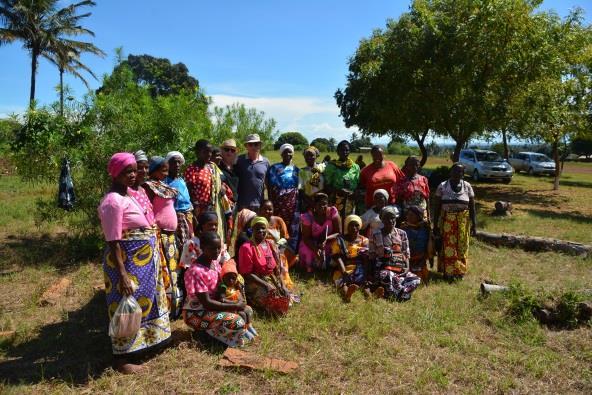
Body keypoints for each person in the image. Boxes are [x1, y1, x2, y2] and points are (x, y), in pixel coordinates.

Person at [98, 153, 171, 374]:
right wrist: (123, 275)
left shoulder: (129, 194)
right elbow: (113, 240)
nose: (132, 175)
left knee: (144, 302)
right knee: (125, 306)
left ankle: (144, 345)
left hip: (143, 261)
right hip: (127, 263)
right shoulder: (113, 201)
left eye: (133, 170)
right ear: (115, 174)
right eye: (126, 172)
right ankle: (122, 358)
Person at [183, 231, 250, 347]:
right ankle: (205, 335)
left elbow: (221, 288)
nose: (217, 252)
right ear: (203, 247)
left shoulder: (214, 263)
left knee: (247, 311)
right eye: (213, 249)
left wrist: (233, 299)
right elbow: (207, 303)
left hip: (214, 306)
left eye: (219, 248)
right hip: (197, 313)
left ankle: (235, 336)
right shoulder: (196, 271)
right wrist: (234, 305)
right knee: (237, 320)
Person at [144, 156, 184, 319]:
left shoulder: (164, 185)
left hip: (170, 235)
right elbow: (147, 210)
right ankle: (165, 307)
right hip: (160, 235)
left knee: (173, 269)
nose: (166, 170)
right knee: (163, 271)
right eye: (163, 168)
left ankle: (175, 304)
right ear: (154, 169)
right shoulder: (147, 187)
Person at [237, 216, 291, 315]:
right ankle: (254, 301)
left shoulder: (270, 244)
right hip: (254, 282)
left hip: (270, 279)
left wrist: (282, 285)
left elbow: (276, 270)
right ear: (252, 229)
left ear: (267, 229)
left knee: (286, 298)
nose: (260, 230)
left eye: (263, 228)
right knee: (276, 308)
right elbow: (247, 274)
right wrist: (267, 285)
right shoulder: (246, 247)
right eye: (257, 228)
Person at [432, 163, 477, 280]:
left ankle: (460, 272)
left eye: (460, 172)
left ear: (463, 174)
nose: (457, 173)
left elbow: (472, 207)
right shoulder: (442, 186)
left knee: (461, 247)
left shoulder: (467, 186)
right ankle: (449, 273)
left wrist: (474, 225)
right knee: (448, 247)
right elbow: (436, 207)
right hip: (447, 221)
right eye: (455, 171)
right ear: (450, 172)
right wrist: (435, 225)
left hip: (463, 221)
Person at [369, 207, 420, 301]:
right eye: (387, 218)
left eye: (392, 217)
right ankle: (401, 295)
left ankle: (393, 293)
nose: (390, 220)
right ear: (382, 219)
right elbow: (372, 255)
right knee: (386, 276)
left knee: (415, 279)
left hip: (400, 268)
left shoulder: (402, 233)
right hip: (383, 269)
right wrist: (372, 274)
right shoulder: (375, 233)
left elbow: (406, 253)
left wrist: (406, 268)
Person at [184, 139, 225, 242]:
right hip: (198, 210)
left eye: (210, 152)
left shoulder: (210, 168)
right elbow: (189, 191)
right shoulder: (191, 169)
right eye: (205, 151)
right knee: (199, 235)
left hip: (210, 208)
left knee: (210, 235)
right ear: (197, 152)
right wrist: (196, 210)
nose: (209, 154)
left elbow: (216, 185)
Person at [330, 215, 371, 302]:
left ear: (360, 226)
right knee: (343, 283)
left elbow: (366, 258)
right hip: (344, 267)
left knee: (365, 284)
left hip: (359, 268)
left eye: (356, 225)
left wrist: (366, 274)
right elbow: (337, 256)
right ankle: (347, 295)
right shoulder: (340, 240)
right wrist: (344, 271)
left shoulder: (364, 240)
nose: (354, 227)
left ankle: (370, 297)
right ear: (347, 226)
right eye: (351, 225)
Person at [299, 192, 342, 273]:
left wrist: (326, 239)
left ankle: (330, 268)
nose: (322, 207)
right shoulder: (307, 217)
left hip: (329, 241)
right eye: (319, 204)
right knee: (307, 251)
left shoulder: (332, 212)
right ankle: (311, 268)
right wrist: (315, 249)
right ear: (314, 205)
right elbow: (306, 238)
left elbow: (339, 232)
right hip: (312, 243)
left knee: (337, 248)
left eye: (324, 204)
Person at [267, 143, 300, 245]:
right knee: (279, 224)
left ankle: (291, 250)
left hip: (293, 203)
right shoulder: (274, 168)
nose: (287, 154)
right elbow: (270, 186)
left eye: (289, 152)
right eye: (285, 152)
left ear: (293, 154)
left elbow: (299, 187)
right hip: (279, 203)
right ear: (281, 154)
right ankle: (277, 247)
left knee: (292, 226)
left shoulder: (297, 169)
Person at [217, 259, 258, 339]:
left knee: (248, 310)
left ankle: (248, 325)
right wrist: (235, 303)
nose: (231, 281)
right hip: (229, 307)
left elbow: (240, 296)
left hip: (237, 305)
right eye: (228, 278)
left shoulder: (234, 286)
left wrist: (240, 300)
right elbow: (222, 299)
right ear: (223, 277)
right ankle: (243, 330)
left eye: (233, 278)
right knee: (242, 314)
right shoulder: (223, 286)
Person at [259, 200, 295, 289]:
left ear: (273, 210)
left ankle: (284, 281)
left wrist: (278, 249)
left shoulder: (278, 220)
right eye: (265, 209)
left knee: (282, 257)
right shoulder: (258, 222)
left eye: (270, 209)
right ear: (260, 210)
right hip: (262, 250)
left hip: (278, 248)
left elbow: (285, 238)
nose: (268, 212)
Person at [164, 151, 194, 251]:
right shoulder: (165, 182)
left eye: (178, 162)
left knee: (190, 241)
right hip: (176, 215)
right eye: (173, 162)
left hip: (188, 214)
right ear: (168, 164)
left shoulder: (181, 180)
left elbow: (187, 199)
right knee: (181, 244)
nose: (177, 165)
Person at [360, 146, 405, 211]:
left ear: (383, 155)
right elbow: (361, 186)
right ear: (372, 155)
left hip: (391, 204)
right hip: (373, 206)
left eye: (379, 154)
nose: (377, 157)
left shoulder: (392, 165)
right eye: (375, 155)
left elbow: (402, 180)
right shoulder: (365, 171)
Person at [324, 140, 360, 218]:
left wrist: (354, 193)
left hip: (351, 201)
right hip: (336, 200)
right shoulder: (331, 166)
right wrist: (339, 191)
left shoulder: (355, 167)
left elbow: (358, 184)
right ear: (337, 151)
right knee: (336, 223)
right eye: (342, 150)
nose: (344, 152)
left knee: (349, 224)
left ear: (350, 151)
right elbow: (326, 186)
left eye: (347, 150)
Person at [235, 134, 270, 212]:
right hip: (242, 204)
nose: (253, 147)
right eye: (250, 144)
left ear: (260, 146)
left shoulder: (265, 162)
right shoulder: (239, 160)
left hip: (259, 203)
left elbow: (267, 182)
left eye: (256, 144)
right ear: (246, 146)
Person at [399, 206, 432, 283]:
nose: (408, 217)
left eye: (411, 215)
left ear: (418, 217)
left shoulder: (425, 228)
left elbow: (429, 246)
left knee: (420, 277)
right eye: (408, 215)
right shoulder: (403, 228)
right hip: (407, 259)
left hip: (420, 258)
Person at [128, 150, 155, 227]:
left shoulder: (143, 190)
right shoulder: (126, 191)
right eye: (140, 167)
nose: (144, 171)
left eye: (146, 167)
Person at [298, 146, 325, 212]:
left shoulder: (322, 168)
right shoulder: (302, 171)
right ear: (304, 157)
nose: (309, 157)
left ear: (316, 156)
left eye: (312, 155)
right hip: (308, 203)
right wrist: (311, 203)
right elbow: (301, 190)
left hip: (322, 202)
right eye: (307, 155)